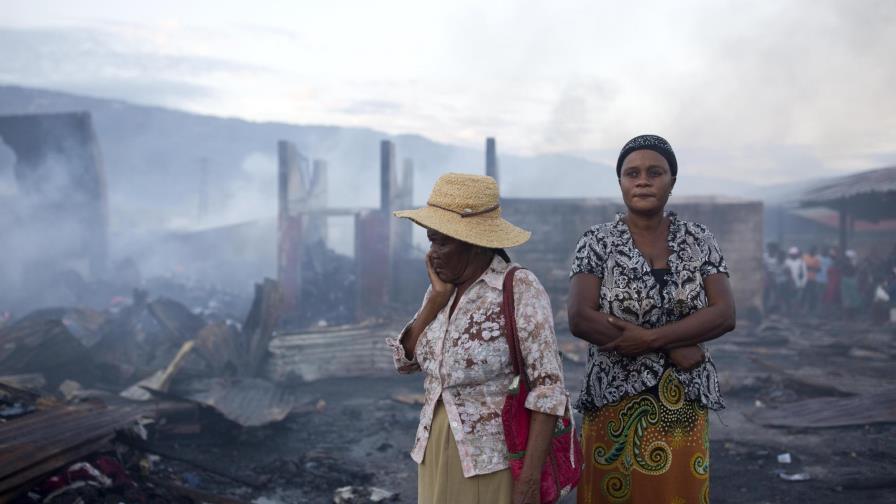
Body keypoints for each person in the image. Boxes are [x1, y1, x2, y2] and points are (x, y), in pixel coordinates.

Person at [567, 134, 735, 503]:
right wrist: (675, 343)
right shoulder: (597, 241)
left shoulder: (699, 240)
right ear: (621, 183)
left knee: (678, 493)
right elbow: (580, 317)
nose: (642, 180)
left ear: (671, 181)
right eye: (632, 173)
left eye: (654, 172)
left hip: (684, 401)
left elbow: (724, 313)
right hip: (613, 399)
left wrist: (649, 340)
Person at [386, 173, 568, 504]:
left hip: (491, 462)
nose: (432, 254)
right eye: (430, 240)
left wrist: (527, 483)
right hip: (433, 449)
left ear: (473, 242)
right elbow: (405, 361)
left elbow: (548, 389)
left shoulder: (519, 288)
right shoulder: (441, 290)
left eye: (441, 242)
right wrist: (435, 302)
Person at [784, 246, 807, 314]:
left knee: (798, 299)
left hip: (799, 284)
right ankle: (790, 311)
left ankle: (796, 312)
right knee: (790, 298)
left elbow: (804, 274)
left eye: (794, 254)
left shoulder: (801, 262)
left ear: (797, 254)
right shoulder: (787, 261)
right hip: (789, 284)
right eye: (792, 254)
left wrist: (803, 284)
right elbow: (785, 272)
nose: (793, 255)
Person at [802, 246, 821, 314]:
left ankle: (811, 310)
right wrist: (808, 268)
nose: (812, 251)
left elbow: (819, 269)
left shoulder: (816, 259)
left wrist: (811, 268)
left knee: (812, 295)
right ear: (809, 250)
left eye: (814, 250)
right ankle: (801, 308)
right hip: (804, 278)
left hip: (813, 279)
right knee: (803, 294)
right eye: (811, 250)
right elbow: (801, 266)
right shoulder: (804, 256)